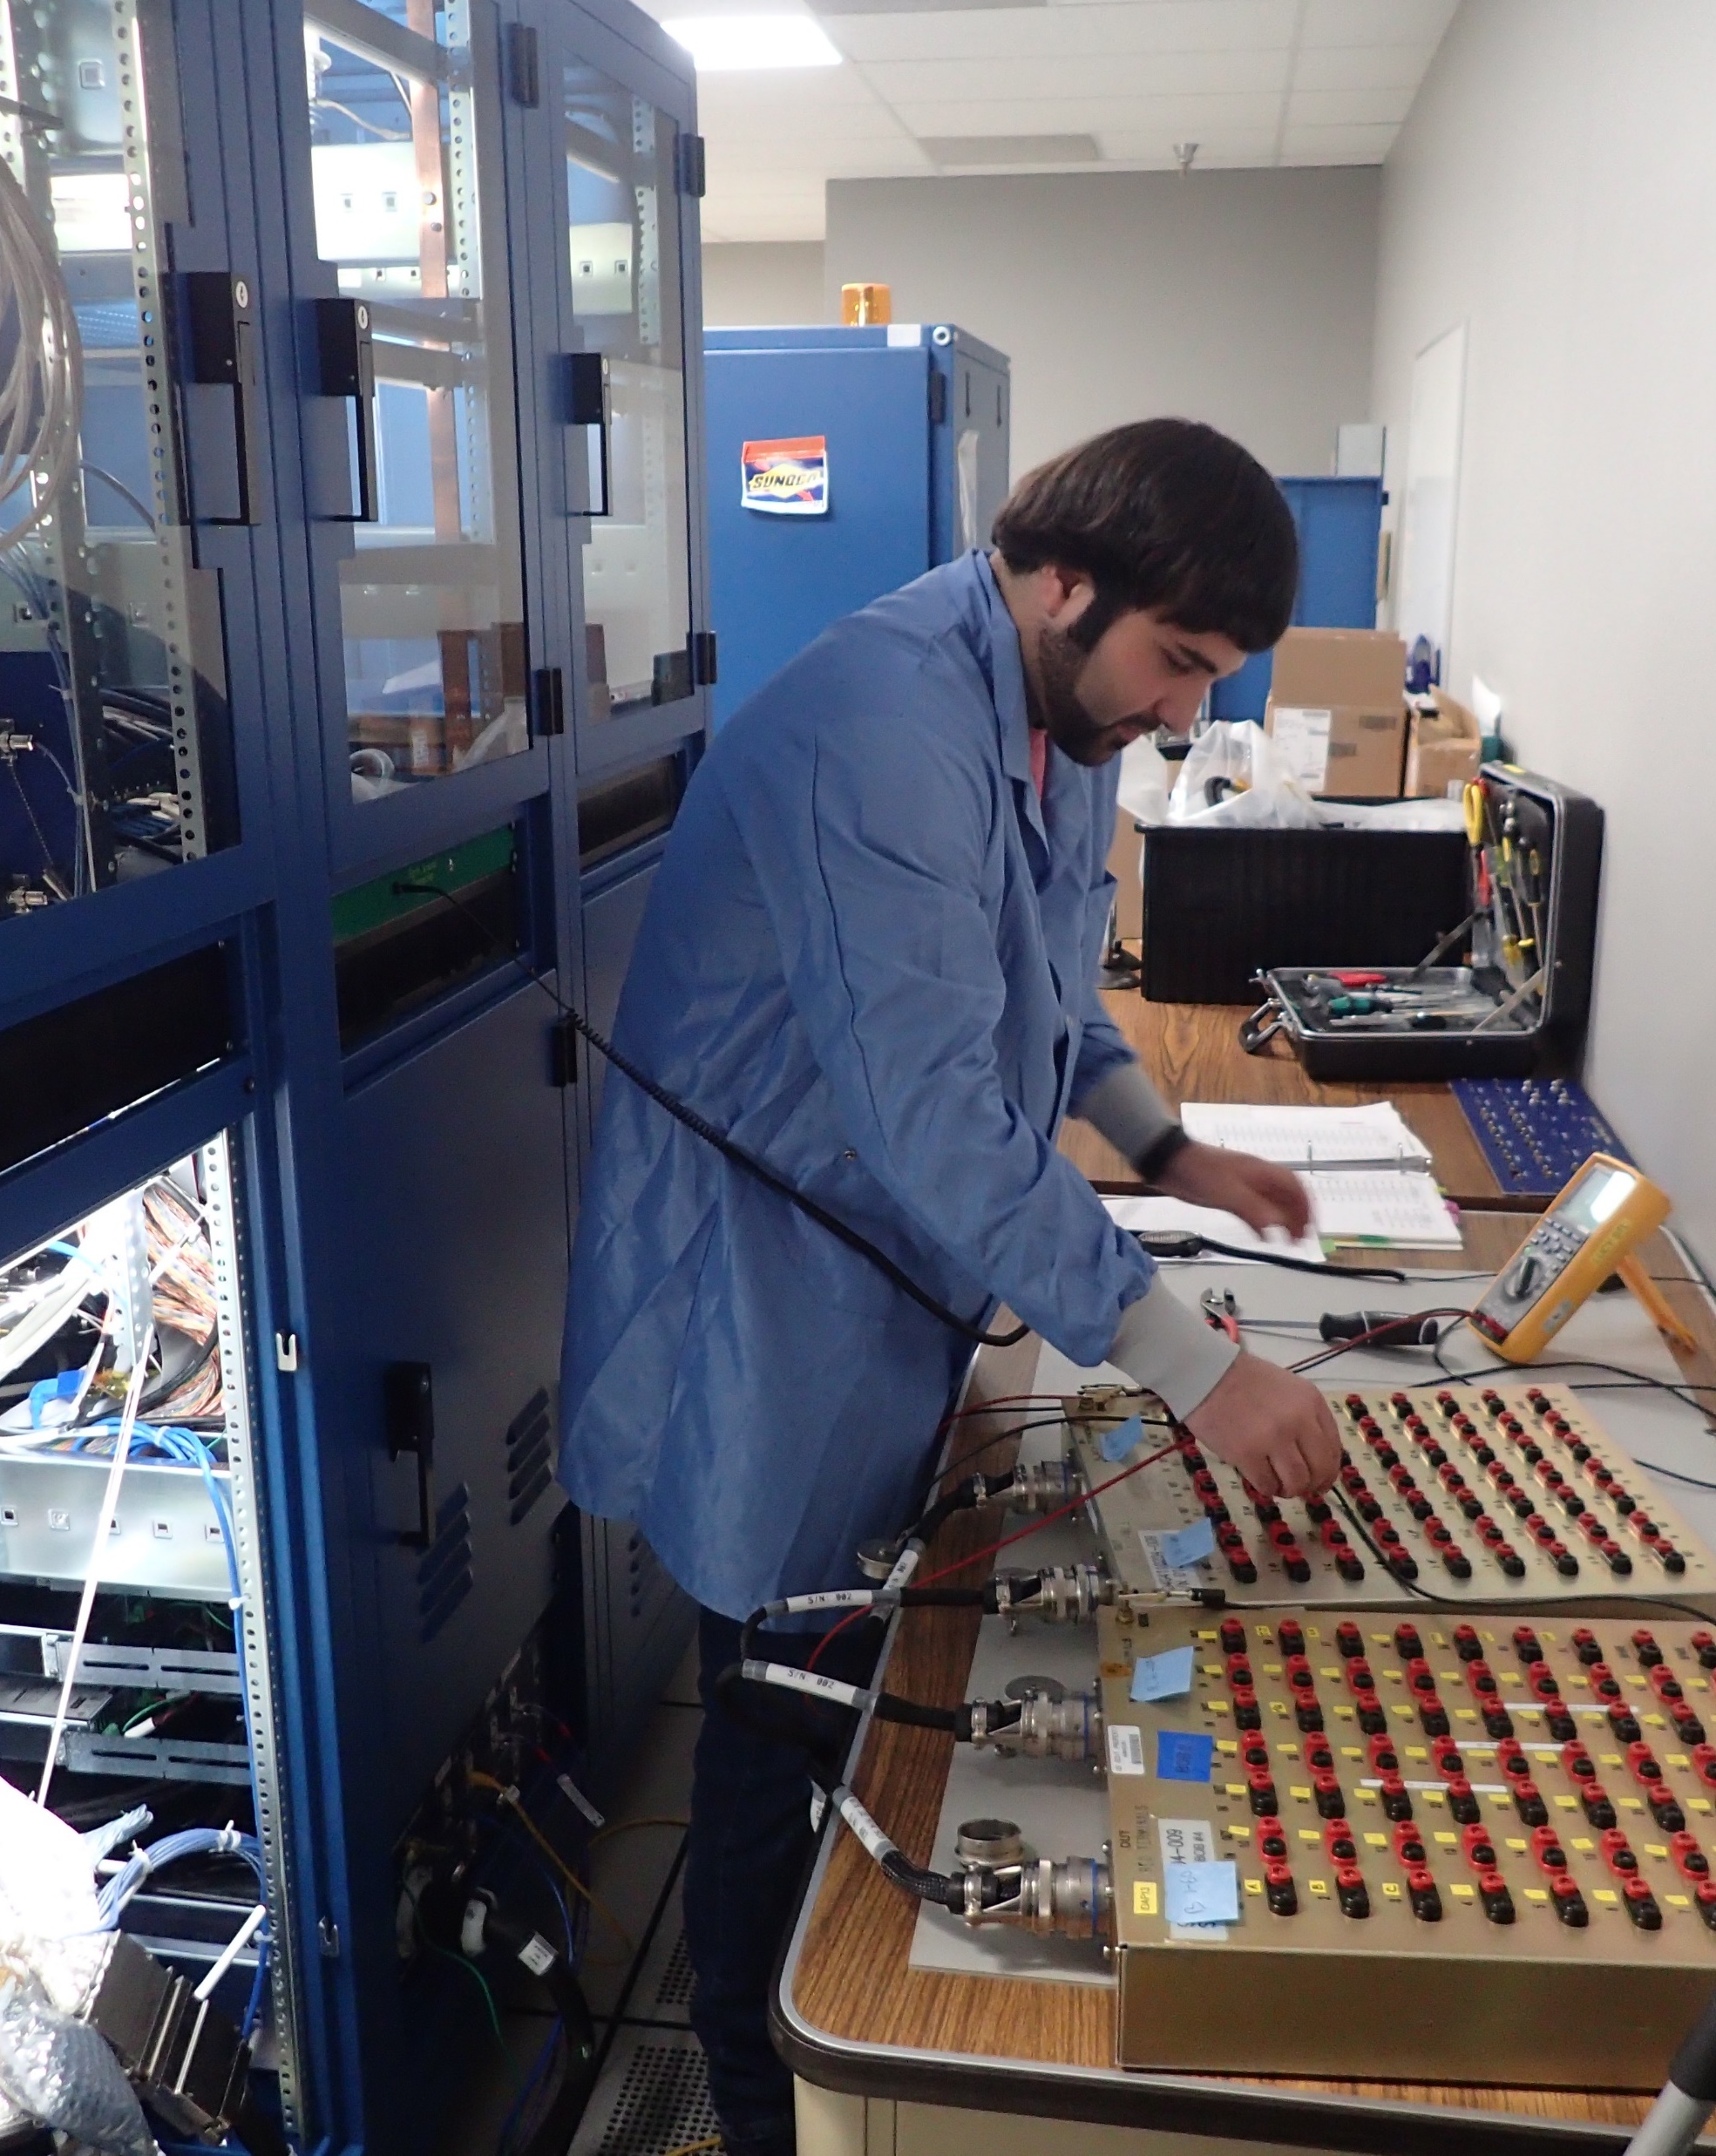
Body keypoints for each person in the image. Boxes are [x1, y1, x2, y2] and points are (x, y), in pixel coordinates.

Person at [558, 417, 1344, 2156]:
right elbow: (933, 1115)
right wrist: (1199, 1373)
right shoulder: (884, 728)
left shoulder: (1049, 715)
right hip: (758, 1298)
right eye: (1177, 664)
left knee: (851, 1680)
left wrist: (1167, 1149)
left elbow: (1045, 994)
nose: (1180, 712)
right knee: (768, 1726)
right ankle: (760, 2106)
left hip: (882, 1266)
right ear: (1066, 583)